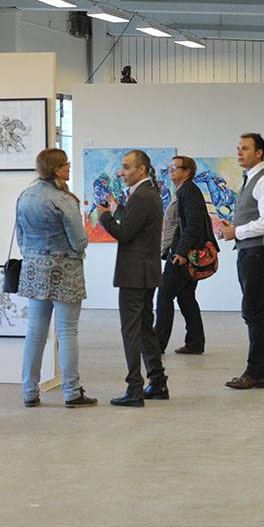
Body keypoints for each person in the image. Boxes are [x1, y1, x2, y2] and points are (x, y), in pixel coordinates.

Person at [16, 149, 96, 408]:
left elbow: (20, 236)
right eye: (66, 164)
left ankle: (29, 391)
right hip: (66, 270)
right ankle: (72, 392)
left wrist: (34, 255)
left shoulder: (25, 195)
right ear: (56, 169)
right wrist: (78, 247)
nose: (69, 168)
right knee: (67, 330)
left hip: (34, 269)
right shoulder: (63, 199)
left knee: (35, 331)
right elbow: (79, 240)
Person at [97, 150, 168, 407]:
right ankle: (157, 382)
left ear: (141, 169)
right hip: (146, 271)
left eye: (127, 167)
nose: (122, 172)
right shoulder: (149, 193)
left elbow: (124, 233)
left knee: (131, 330)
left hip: (134, 274)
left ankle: (134, 388)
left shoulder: (141, 195)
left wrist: (105, 216)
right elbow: (136, 226)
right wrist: (120, 210)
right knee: (145, 327)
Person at [218, 133, 264, 390]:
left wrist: (236, 231)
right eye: (238, 148)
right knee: (261, 311)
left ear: (259, 152)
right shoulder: (251, 179)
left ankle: (255, 371)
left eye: (245, 148)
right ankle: (263, 369)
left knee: (253, 311)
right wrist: (234, 228)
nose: (239, 152)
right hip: (252, 252)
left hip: (258, 254)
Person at [154, 155, 215, 355]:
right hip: (183, 252)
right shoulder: (183, 190)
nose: (171, 170)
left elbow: (194, 225)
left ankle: (157, 344)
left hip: (182, 254)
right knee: (186, 297)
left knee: (164, 296)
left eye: (175, 167)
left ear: (187, 171)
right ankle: (195, 343)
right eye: (170, 167)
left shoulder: (189, 191)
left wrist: (180, 252)